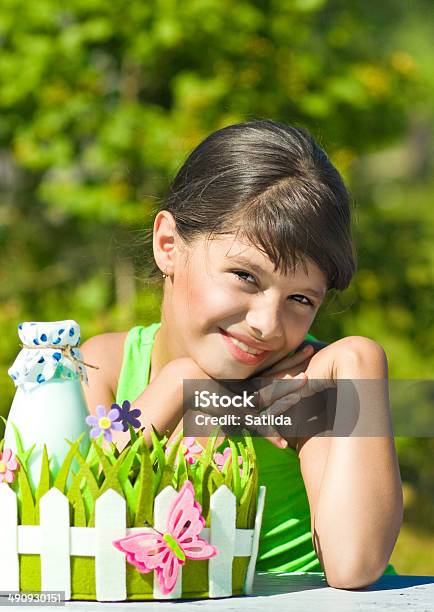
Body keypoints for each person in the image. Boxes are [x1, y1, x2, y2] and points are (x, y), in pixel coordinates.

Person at [81, 119, 403, 589]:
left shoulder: (308, 388)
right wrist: (180, 385)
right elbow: (77, 516)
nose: (267, 325)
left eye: (300, 300)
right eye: (246, 277)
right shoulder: (105, 367)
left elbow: (354, 565)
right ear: (168, 245)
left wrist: (360, 362)